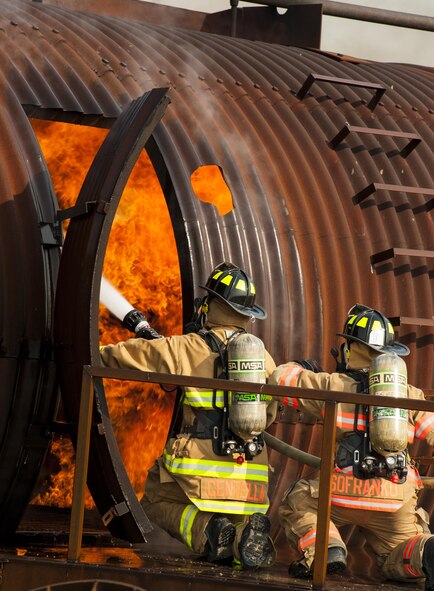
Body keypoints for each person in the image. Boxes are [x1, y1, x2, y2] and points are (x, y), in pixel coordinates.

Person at [100, 262, 278, 569]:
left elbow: (132, 355)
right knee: (236, 553)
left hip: (200, 472)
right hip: (251, 480)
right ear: (247, 314)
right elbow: (270, 413)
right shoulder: (263, 357)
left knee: (154, 498)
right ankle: (240, 538)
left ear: (211, 305)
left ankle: (206, 529)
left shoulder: (187, 348)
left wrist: (92, 353)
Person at [269, 304, 434, 589]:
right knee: (400, 552)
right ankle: (427, 555)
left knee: (296, 502)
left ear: (350, 348)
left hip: (341, 493)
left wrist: (302, 367)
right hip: (394, 499)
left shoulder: (333, 385)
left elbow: (280, 380)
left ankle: (327, 549)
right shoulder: (410, 394)